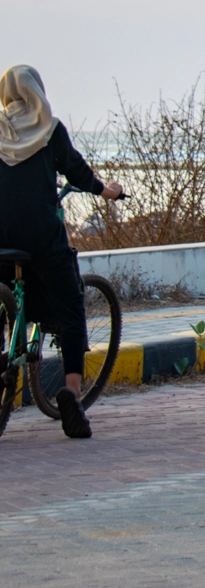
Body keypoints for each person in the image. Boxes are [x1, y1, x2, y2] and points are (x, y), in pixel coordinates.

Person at [0, 66, 123, 438]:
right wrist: (108, 190)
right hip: (41, 237)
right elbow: (77, 173)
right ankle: (71, 393)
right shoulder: (49, 129)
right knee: (71, 305)